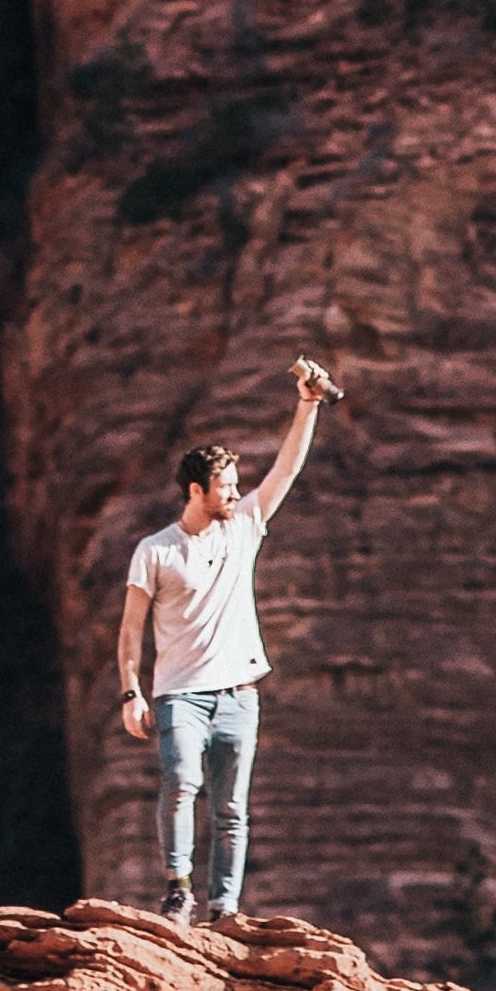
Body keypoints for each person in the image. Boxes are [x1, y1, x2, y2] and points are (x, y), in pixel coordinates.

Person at [117, 357, 338, 923]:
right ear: (197, 490)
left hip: (240, 693)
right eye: (226, 488)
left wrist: (307, 403)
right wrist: (130, 692)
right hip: (180, 694)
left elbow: (286, 470)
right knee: (182, 783)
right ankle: (178, 889)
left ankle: (225, 909)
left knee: (233, 808)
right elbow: (130, 629)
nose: (237, 495)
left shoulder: (244, 527)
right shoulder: (156, 550)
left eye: (239, 486)